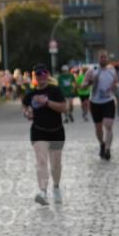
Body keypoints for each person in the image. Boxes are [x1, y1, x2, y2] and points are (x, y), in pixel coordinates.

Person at [21, 63, 67, 205]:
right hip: (38, 131)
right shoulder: (30, 94)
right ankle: (43, 192)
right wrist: (27, 113)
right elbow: (25, 107)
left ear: (47, 75)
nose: (41, 76)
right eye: (37, 74)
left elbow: (64, 108)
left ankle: (56, 187)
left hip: (56, 131)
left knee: (55, 164)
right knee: (41, 161)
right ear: (35, 77)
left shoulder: (55, 91)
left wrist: (46, 102)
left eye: (43, 73)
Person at [84, 51, 118, 160]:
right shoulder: (92, 70)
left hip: (108, 101)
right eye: (101, 57)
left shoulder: (112, 70)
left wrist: (113, 87)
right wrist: (90, 82)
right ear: (98, 59)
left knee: (108, 125)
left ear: (107, 59)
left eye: (105, 57)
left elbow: (116, 82)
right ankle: (102, 144)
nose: (103, 59)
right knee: (98, 128)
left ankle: (108, 149)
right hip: (95, 102)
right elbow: (83, 85)